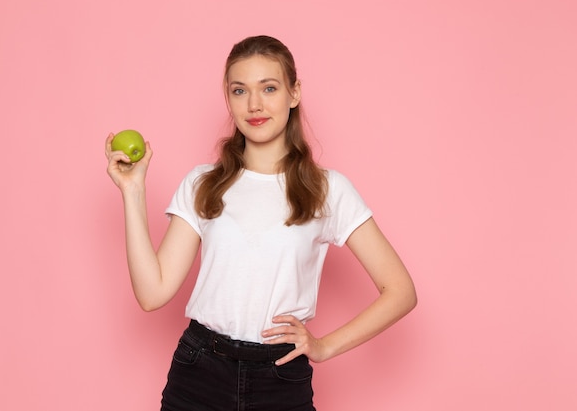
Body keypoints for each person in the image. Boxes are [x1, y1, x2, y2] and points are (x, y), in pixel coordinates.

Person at [105, 35, 417, 411]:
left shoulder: (327, 189)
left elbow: (400, 290)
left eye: (269, 88)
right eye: (239, 91)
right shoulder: (203, 183)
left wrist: (324, 346)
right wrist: (132, 189)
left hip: (280, 378)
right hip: (199, 370)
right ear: (228, 98)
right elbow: (152, 293)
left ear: (294, 92)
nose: (254, 104)